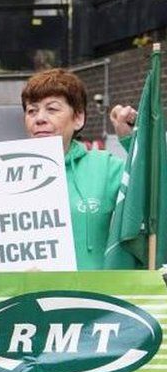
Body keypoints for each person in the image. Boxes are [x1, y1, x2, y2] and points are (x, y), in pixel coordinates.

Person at [19, 69, 135, 269]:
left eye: (52, 109)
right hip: (27, 296)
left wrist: (132, 140)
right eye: (32, 110)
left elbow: (154, 196)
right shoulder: (4, 174)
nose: (39, 118)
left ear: (78, 118)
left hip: (92, 297)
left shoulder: (106, 167)